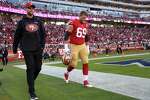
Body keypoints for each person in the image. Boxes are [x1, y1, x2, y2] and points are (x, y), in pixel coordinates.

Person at [13, 2, 46, 100]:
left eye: (32, 8)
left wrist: (42, 46)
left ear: (34, 9)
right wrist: (14, 47)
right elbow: (17, 36)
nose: (31, 9)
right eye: (29, 8)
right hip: (27, 49)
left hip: (38, 49)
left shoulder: (39, 21)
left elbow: (43, 35)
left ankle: (30, 81)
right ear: (26, 9)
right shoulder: (22, 22)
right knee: (30, 68)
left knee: (38, 68)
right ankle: (32, 92)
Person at [63, 11, 92, 87]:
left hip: (82, 45)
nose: (84, 19)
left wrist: (88, 46)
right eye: (83, 17)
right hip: (74, 45)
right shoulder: (73, 22)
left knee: (86, 62)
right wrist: (66, 47)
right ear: (80, 16)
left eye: (85, 17)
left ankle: (85, 81)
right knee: (73, 64)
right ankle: (66, 73)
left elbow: (86, 36)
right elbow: (67, 34)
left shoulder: (85, 24)